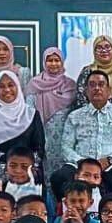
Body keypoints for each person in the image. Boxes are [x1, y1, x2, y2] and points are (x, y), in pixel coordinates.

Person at [53, 70, 112, 197]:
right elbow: (66, 147)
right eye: (92, 85)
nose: (97, 88)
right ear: (86, 91)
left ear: (109, 91)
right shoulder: (75, 116)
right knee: (59, 177)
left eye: (101, 84)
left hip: (111, 164)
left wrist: (110, 159)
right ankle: (66, 213)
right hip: (80, 164)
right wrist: (82, 163)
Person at [0, 71, 45, 187]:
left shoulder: (31, 114)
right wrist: (8, 161)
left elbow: (39, 150)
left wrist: (22, 164)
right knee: (1, 173)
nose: (7, 90)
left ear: (17, 86)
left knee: (26, 173)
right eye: (1, 86)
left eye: (11, 85)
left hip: (26, 164)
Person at [27, 47, 78, 176]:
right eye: (50, 60)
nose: (54, 64)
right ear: (44, 62)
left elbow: (75, 113)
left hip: (65, 137)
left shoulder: (70, 85)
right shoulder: (34, 84)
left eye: (57, 60)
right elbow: (30, 112)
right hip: (42, 134)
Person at [74, 35, 112, 110]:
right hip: (90, 118)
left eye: (107, 47)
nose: (104, 51)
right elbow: (81, 100)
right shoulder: (87, 72)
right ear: (94, 52)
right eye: (99, 48)